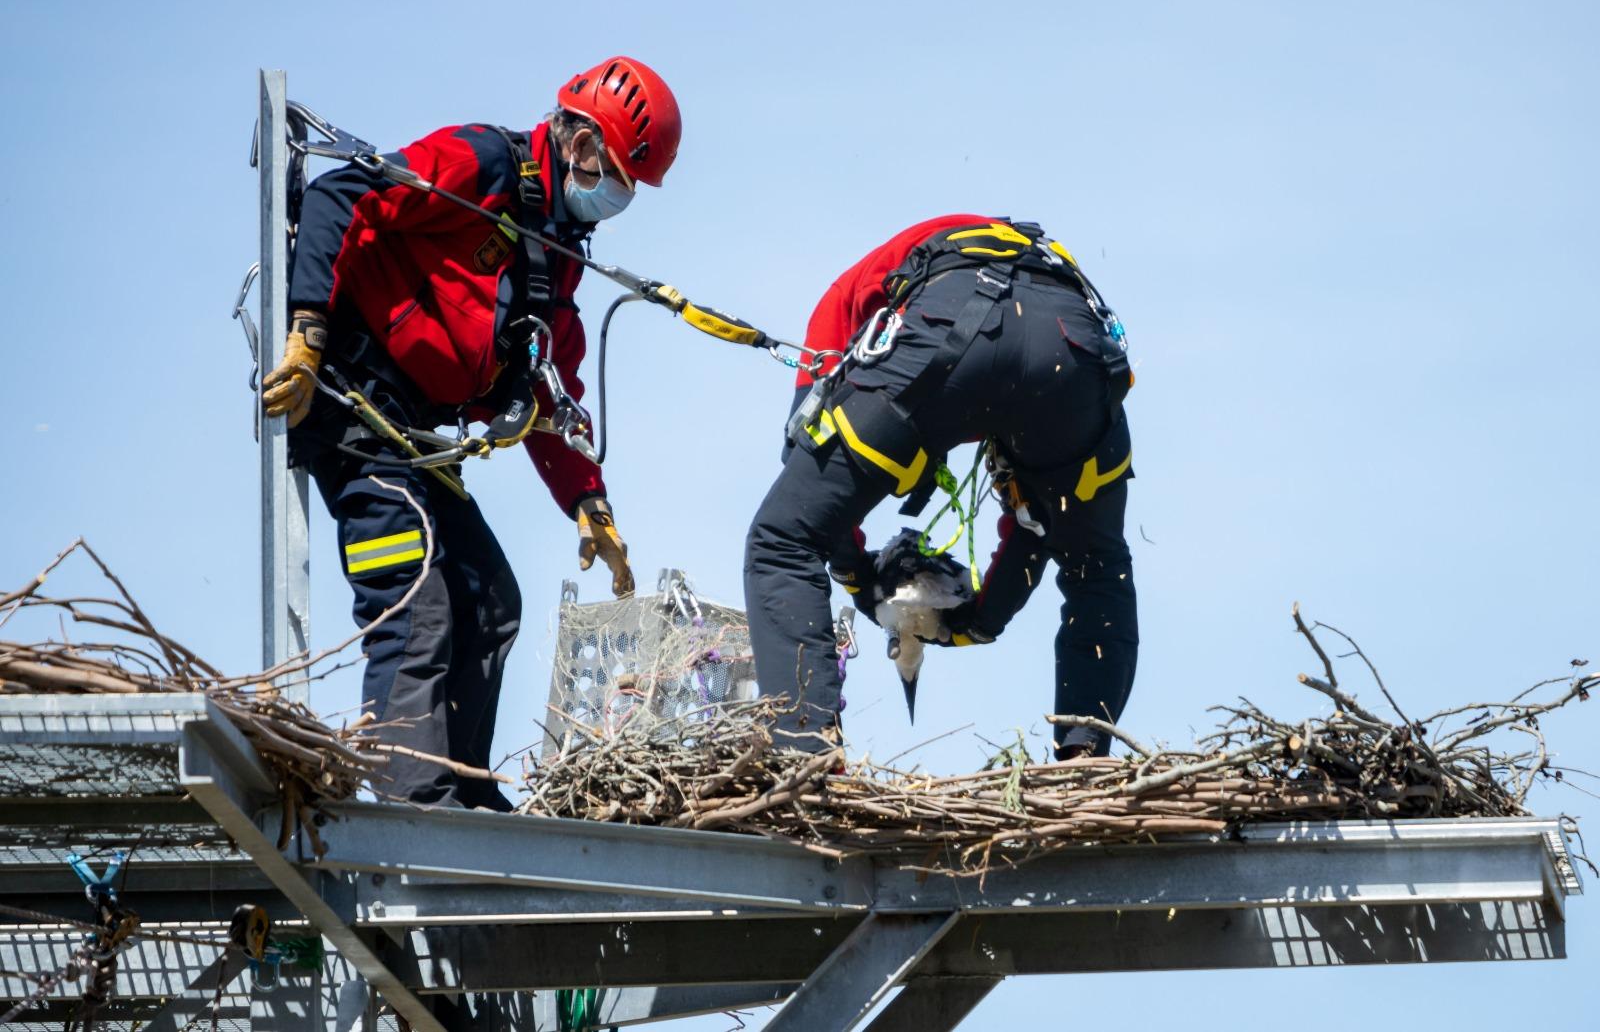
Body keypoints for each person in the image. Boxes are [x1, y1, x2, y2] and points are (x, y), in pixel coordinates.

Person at [259, 57, 682, 809]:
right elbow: (341, 196)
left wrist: (590, 502)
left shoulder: (555, 255)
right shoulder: (484, 163)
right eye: (607, 169)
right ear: (575, 137)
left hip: (416, 434)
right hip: (354, 402)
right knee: (415, 598)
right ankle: (414, 801)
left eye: (625, 186)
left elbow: (546, 392)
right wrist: (307, 328)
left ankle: (462, 790)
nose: (610, 194)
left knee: (491, 601)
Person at [745, 215, 1138, 758]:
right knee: (1097, 564)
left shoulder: (862, 281)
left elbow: (807, 466)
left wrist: (858, 575)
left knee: (782, 541)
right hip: (1076, 352)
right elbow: (1037, 529)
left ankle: (805, 754)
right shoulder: (1037, 258)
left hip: (951, 326)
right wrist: (979, 620)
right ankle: (1084, 763)